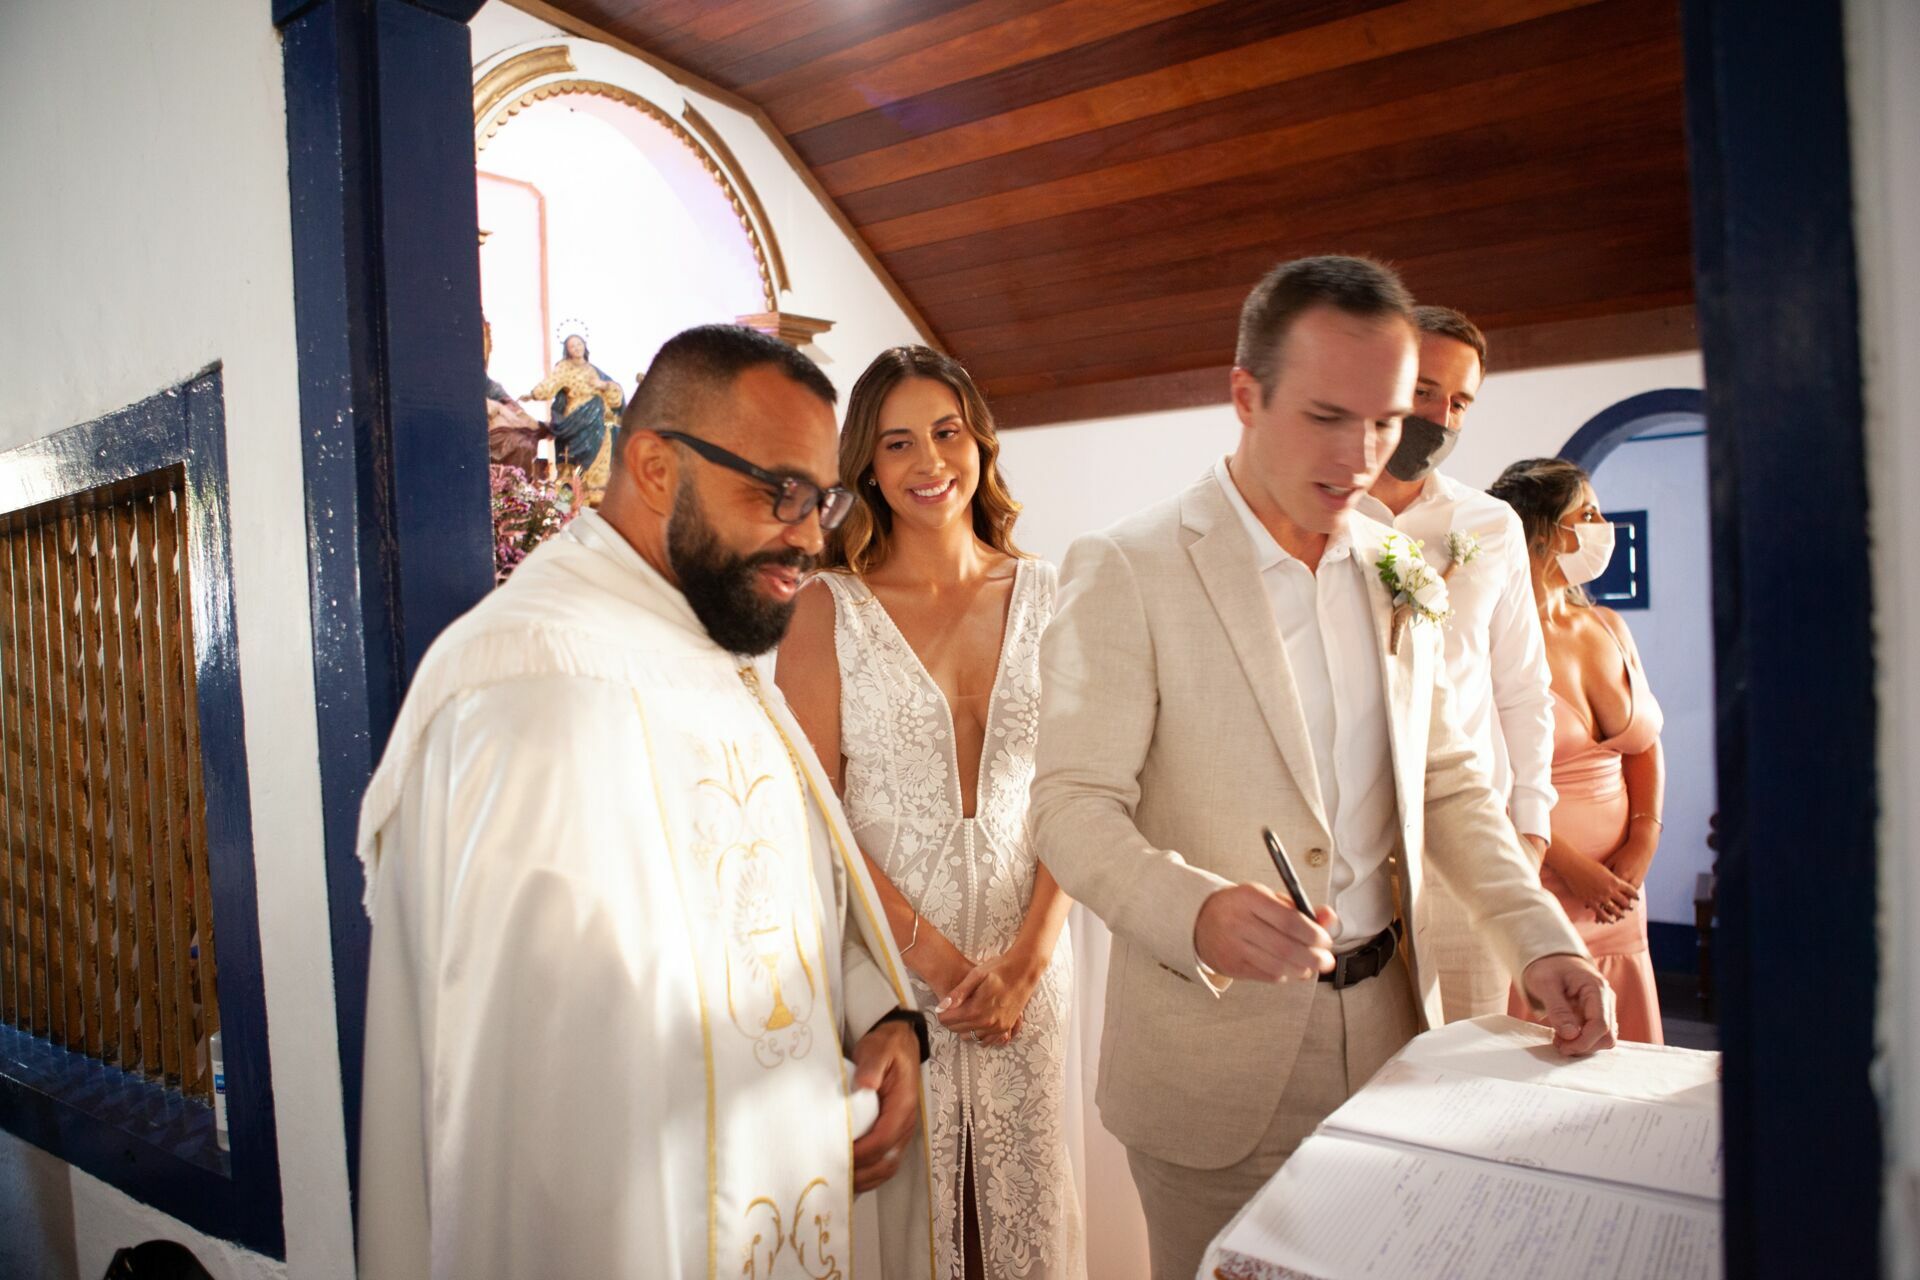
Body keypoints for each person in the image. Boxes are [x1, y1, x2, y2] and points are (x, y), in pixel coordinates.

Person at [1028, 255, 1616, 1280]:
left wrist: (1539, 938)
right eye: (1328, 415)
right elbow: (1071, 808)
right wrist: (1195, 909)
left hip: (1396, 1030)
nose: (1363, 453)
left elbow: (1446, 779)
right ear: (1244, 396)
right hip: (1213, 1059)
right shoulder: (1129, 564)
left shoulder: (1398, 565)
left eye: (1387, 420)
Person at [355, 324, 936, 1279]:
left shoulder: (702, 651)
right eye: (779, 491)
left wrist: (886, 1022)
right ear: (658, 466)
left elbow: (779, 906)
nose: (809, 534)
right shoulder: (534, 686)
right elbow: (540, 1139)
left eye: (823, 499)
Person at [778, 346, 1082, 1280]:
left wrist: (1029, 956)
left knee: (1028, 1219)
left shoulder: (1051, 595)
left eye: (947, 434)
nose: (928, 463)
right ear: (865, 464)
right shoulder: (827, 609)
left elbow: (1087, 787)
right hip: (893, 974)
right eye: (898, 442)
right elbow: (814, 812)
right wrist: (934, 958)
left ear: (981, 445)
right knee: (916, 1228)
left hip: (1032, 957)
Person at [1357, 306, 1557, 1021]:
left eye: (1461, 401)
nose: (1441, 415)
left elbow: (1523, 685)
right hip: (1349, 836)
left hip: (1463, 833)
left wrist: (1530, 824)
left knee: (1466, 1050)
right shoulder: (1323, 517)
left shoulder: (1488, 525)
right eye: (1425, 390)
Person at [1490, 457, 1667, 1044]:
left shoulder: (1609, 625)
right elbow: (1490, 781)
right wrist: (1576, 871)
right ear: (1539, 529)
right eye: (1585, 514)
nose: (1600, 526)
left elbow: (1642, 746)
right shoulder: (1498, 640)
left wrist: (1642, 839)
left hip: (1619, 895)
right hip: (1542, 887)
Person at [526, 332, 624, 504]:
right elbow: (550, 384)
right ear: (567, 350)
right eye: (572, 346)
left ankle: (596, 493)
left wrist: (604, 385)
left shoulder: (594, 370)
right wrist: (533, 394)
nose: (577, 348)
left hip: (599, 418)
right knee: (571, 460)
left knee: (601, 455)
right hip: (575, 418)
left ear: (585, 345)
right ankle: (571, 496)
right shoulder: (564, 367)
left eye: (579, 344)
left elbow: (616, 394)